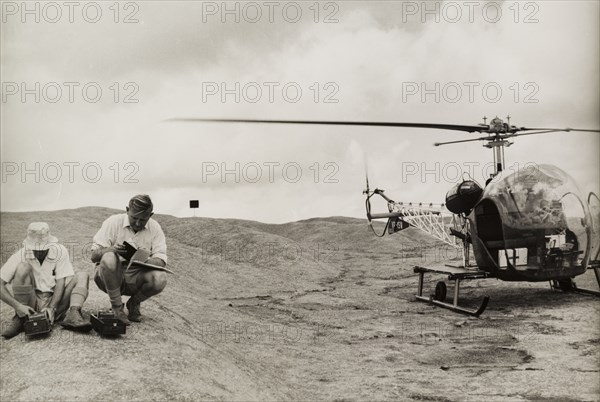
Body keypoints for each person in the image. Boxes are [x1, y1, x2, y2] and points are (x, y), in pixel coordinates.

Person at [0, 222, 91, 339]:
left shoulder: (60, 250)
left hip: (56, 302)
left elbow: (61, 281)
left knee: (82, 275)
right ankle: (21, 318)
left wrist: (52, 307)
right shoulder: (20, 254)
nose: (39, 251)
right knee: (23, 268)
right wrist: (18, 306)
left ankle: (73, 315)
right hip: (30, 304)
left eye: (43, 248)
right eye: (35, 248)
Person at [91, 194, 168, 325]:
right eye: (134, 218)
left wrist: (144, 259)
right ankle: (117, 307)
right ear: (127, 210)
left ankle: (134, 303)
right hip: (110, 276)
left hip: (136, 275)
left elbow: (161, 261)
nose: (138, 223)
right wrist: (113, 250)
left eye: (143, 219)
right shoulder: (113, 222)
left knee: (160, 278)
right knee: (109, 257)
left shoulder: (155, 227)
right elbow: (94, 256)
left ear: (151, 215)